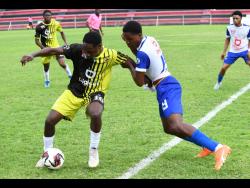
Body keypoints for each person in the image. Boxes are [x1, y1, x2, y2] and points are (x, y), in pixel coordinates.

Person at [122, 20, 231, 171]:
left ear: (139, 35)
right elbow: (146, 65)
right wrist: (134, 60)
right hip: (163, 86)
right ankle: (207, 146)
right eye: (125, 39)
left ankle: (218, 147)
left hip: (167, 86)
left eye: (130, 39)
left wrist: (129, 65)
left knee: (176, 124)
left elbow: (140, 82)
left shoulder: (142, 53)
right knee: (169, 128)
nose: (127, 42)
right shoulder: (149, 39)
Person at [20, 31, 135, 168]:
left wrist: (139, 75)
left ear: (99, 46)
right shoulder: (77, 49)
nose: (85, 53)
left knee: (95, 113)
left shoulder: (110, 55)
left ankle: (93, 151)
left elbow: (128, 61)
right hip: (74, 91)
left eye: (89, 51)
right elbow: (54, 50)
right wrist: (32, 54)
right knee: (50, 121)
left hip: (95, 92)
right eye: (84, 49)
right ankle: (47, 154)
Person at [35, 9, 72, 88]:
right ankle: (47, 80)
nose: (48, 17)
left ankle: (70, 76)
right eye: (46, 15)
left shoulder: (56, 23)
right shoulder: (39, 27)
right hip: (46, 49)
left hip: (56, 47)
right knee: (46, 66)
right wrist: (43, 48)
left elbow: (62, 32)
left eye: (49, 15)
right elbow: (36, 40)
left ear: (51, 16)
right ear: (43, 16)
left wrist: (65, 42)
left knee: (62, 63)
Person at [214, 10, 250, 90]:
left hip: (244, 50)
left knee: (249, 63)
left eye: (236, 18)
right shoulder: (229, 28)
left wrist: (249, 50)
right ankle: (219, 82)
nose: (235, 20)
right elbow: (227, 39)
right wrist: (224, 52)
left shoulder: (247, 28)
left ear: (241, 18)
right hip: (233, 51)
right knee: (223, 68)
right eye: (233, 18)